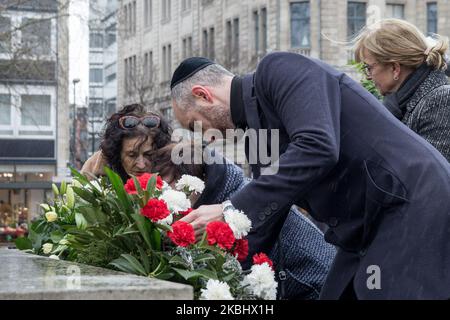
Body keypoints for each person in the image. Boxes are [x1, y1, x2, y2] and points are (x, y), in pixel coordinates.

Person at [170, 54, 450, 299]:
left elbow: (317, 146)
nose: (205, 136)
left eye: (195, 124)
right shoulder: (256, 141)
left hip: (410, 202)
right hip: (366, 229)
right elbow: (265, 222)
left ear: (203, 95)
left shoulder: (279, 68)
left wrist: (229, 209)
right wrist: (208, 269)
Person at [150, 142, 336, 300]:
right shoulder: (227, 194)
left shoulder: (240, 205)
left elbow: (233, 276)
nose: (168, 203)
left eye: (172, 190)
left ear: (196, 182)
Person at [354, 19, 450, 162]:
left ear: (395, 68)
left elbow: (430, 177)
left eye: (369, 68)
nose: (368, 77)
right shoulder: (402, 103)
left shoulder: (440, 100)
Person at [81, 104, 172, 181]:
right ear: (117, 153)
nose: (141, 165)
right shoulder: (94, 170)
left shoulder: (172, 174)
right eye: (132, 155)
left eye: (148, 155)